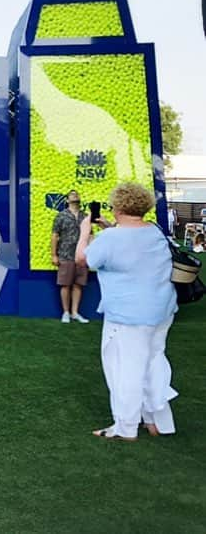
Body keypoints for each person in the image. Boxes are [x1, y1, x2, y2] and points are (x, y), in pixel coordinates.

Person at [75, 182, 178, 440]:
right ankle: (158, 422)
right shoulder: (154, 231)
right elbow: (132, 245)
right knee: (154, 363)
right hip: (162, 309)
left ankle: (126, 427)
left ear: (118, 207)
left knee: (124, 370)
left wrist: (84, 231)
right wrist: (109, 227)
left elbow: (82, 259)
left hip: (128, 315)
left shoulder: (112, 238)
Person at [51, 190, 90, 323]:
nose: (75, 196)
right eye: (72, 195)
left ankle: (75, 312)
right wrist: (54, 255)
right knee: (65, 284)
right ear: (67, 200)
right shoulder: (61, 216)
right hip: (65, 254)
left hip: (81, 255)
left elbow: (90, 235)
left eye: (77, 194)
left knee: (78, 284)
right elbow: (55, 236)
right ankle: (66, 312)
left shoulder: (85, 217)